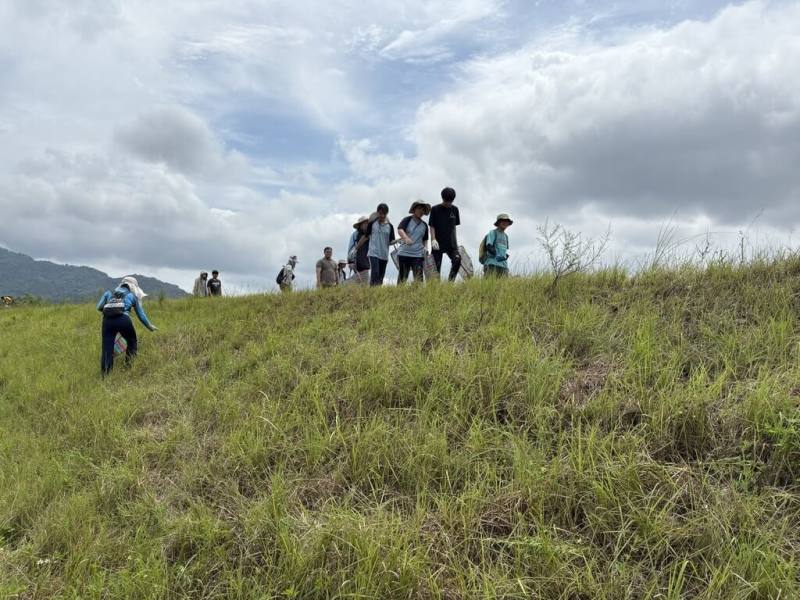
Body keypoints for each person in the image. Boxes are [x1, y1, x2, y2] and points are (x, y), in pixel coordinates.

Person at [96, 276, 157, 376]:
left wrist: (111, 309)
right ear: (133, 287)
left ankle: (106, 375)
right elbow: (141, 314)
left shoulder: (109, 293)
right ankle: (129, 366)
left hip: (107, 320)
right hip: (123, 319)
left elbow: (99, 307)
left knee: (107, 347)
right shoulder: (131, 296)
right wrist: (150, 327)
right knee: (132, 341)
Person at [429, 187, 462, 281]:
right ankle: (435, 288)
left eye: (450, 201)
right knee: (436, 269)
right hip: (437, 243)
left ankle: (450, 283)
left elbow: (454, 227)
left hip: (451, 243)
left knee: (457, 260)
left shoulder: (455, 210)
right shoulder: (435, 209)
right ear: (442, 198)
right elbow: (432, 226)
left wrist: (455, 243)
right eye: (446, 201)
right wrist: (433, 239)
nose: (448, 203)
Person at [397, 200, 431, 284]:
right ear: (414, 209)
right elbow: (400, 229)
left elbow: (425, 239)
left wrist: (426, 248)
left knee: (419, 280)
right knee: (402, 278)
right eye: (419, 208)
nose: (421, 211)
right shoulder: (407, 220)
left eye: (423, 209)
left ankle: (418, 295)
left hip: (418, 254)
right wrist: (406, 238)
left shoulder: (424, 225)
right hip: (404, 253)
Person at [365, 203, 396, 286]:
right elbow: (366, 236)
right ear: (377, 212)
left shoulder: (390, 227)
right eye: (380, 213)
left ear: (387, 214)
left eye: (384, 214)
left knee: (381, 277)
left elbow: (390, 242)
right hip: (373, 252)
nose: (382, 215)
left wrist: (398, 241)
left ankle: (377, 292)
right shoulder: (372, 224)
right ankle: (372, 291)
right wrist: (357, 248)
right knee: (375, 273)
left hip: (384, 254)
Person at [349, 216, 371, 284]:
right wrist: (350, 261)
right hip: (358, 259)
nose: (366, 225)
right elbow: (351, 248)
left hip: (368, 259)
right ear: (360, 225)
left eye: (367, 223)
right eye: (364, 223)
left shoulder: (370, 234)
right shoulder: (355, 235)